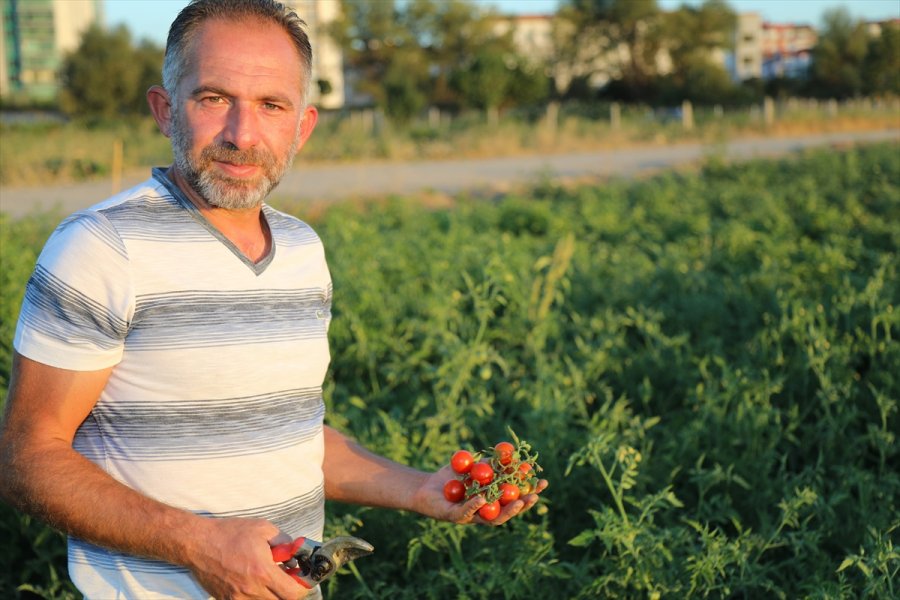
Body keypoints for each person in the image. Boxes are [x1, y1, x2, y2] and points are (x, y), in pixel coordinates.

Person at [0, 1, 547, 599]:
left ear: (303, 126)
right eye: (213, 99)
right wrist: (197, 545)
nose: (242, 134)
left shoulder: (301, 249)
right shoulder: (102, 246)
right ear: (164, 109)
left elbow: (289, 435)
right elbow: (26, 459)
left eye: (271, 105)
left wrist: (418, 489)